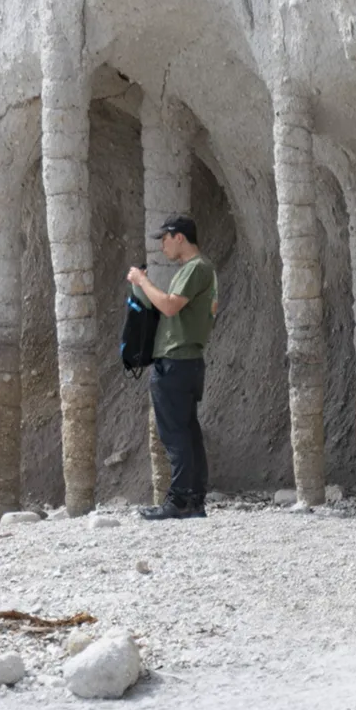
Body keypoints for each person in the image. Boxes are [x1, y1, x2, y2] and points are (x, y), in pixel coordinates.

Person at [126, 215, 217, 521]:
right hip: (185, 362)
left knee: (176, 435)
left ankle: (179, 501)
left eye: (164, 239)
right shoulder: (196, 270)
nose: (162, 245)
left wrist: (142, 281)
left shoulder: (197, 268)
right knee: (187, 433)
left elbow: (168, 306)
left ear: (179, 237)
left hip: (176, 362)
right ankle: (192, 501)